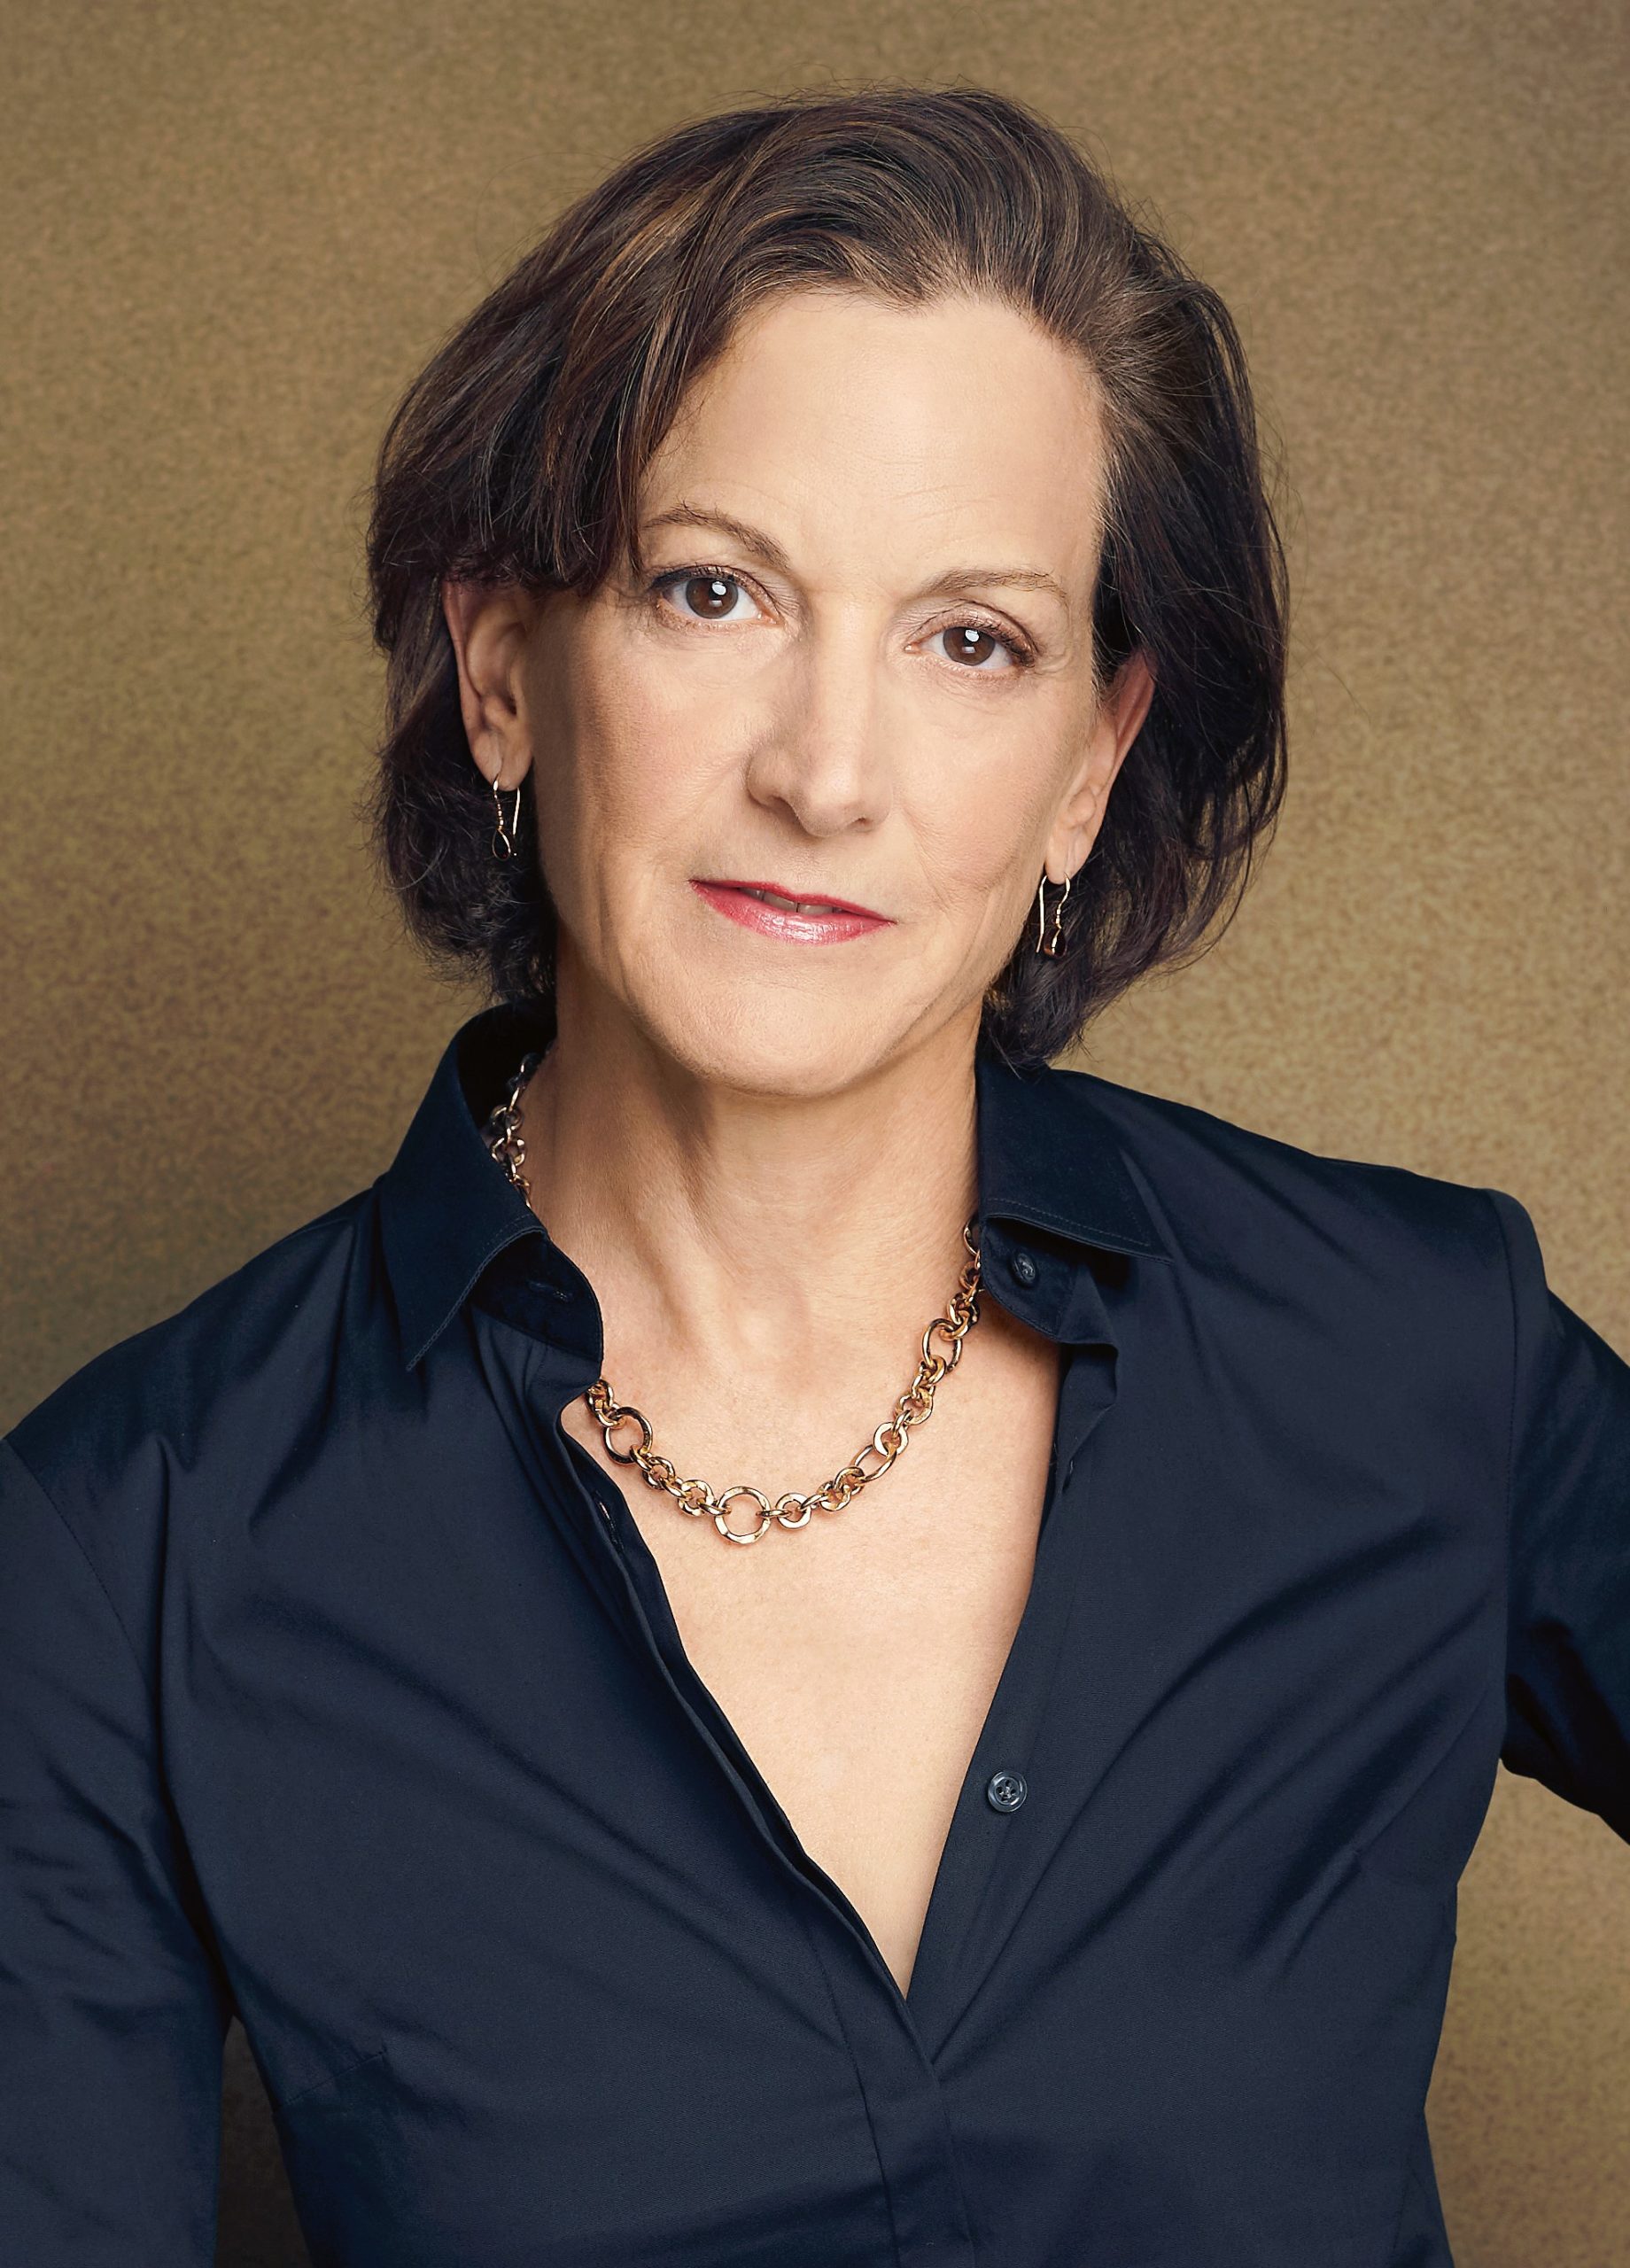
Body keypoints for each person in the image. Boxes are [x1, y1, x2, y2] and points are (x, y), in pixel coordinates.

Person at [1, 82, 1624, 2268]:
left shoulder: (1414, 1353)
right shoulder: (126, 1547)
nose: (826, 772)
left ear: (1087, 763)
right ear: (501, 668)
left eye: (972, 639)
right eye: (712, 591)